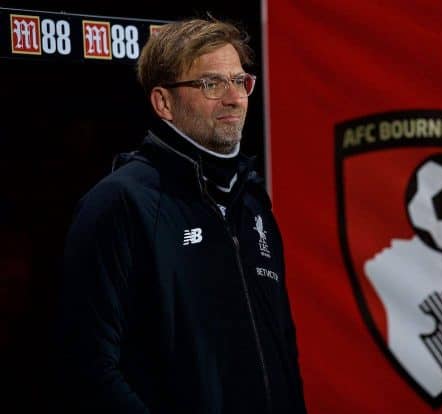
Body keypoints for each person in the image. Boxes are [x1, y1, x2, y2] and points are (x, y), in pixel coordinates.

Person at [55, 16, 306, 414]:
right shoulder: (120, 203)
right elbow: (88, 367)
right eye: (211, 84)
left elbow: (283, 352)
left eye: (240, 81)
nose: (234, 98)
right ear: (163, 103)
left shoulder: (253, 201)